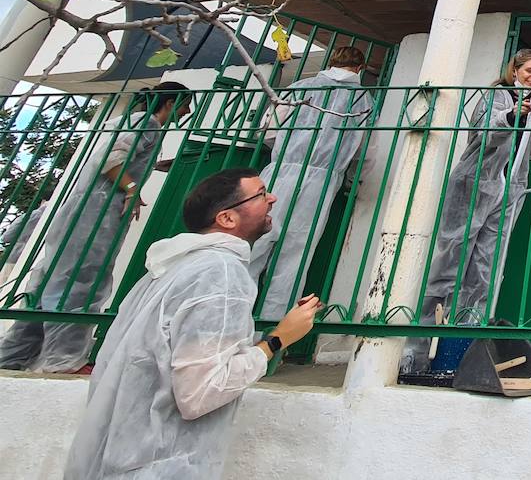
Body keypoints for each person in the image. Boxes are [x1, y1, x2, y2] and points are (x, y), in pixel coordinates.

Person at [62, 168, 322, 480]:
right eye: (261, 194)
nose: (273, 199)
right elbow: (201, 392)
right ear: (227, 218)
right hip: (162, 465)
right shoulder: (220, 273)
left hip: (120, 458)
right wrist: (279, 339)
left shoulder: (170, 269)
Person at [0, 81, 192, 374]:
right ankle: (64, 361)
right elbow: (111, 159)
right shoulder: (148, 124)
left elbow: (121, 155)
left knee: (50, 286)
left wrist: (155, 164)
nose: (187, 111)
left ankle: (14, 356)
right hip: (97, 214)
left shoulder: (127, 120)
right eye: (184, 104)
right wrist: (130, 188)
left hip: (82, 210)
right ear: (171, 103)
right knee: (80, 283)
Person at [400, 49, 531, 374]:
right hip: (476, 184)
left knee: (485, 271)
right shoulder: (496, 96)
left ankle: (462, 351)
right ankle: (417, 350)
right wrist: (512, 116)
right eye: (529, 70)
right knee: (450, 265)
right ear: (514, 70)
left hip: (509, 189)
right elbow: (484, 134)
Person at [246, 46, 374, 321]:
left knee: (253, 247)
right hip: (323, 178)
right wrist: (354, 181)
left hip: (281, 170)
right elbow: (363, 151)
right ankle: (271, 334)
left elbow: (270, 132)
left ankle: (229, 321)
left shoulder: (299, 87)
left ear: (330, 62)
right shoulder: (363, 99)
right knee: (293, 258)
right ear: (360, 69)